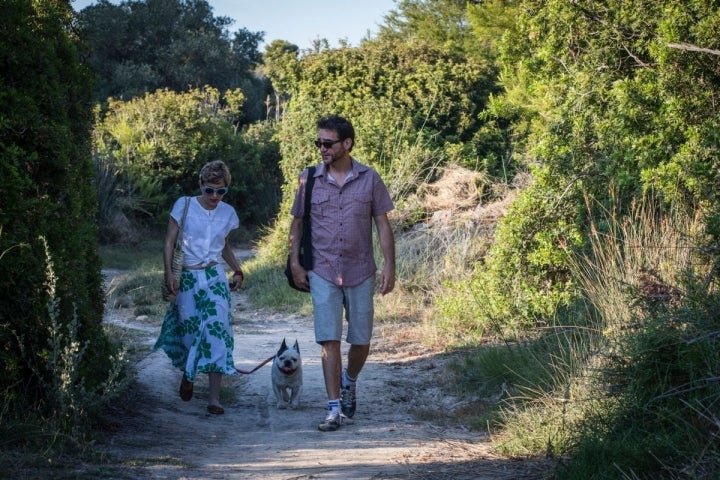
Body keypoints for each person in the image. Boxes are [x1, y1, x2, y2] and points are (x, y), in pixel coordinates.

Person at [288, 114, 396, 431]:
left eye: (327, 143)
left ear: (346, 144)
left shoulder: (370, 178)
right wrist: (295, 262)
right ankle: (333, 408)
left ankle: (350, 380)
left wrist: (390, 265)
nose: (321, 148)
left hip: (361, 269)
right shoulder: (308, 179)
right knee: (329, 340)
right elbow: (297, 222)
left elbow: (382, 224)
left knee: (361, 340)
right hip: (321, 269)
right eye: (318, 142)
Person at [154, 160, 244, 415]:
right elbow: (169, 242)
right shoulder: (184, 205)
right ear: (201, 185)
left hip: (215, 277)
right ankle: (189, 373)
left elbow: (224, 245)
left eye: (221, 191)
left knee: (217, 333)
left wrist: (237, 270)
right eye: (210, 190)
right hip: (188, 278)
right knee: (191, 333)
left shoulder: (227, 213)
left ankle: (214, 399)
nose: (215, 196)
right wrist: (169, 273)